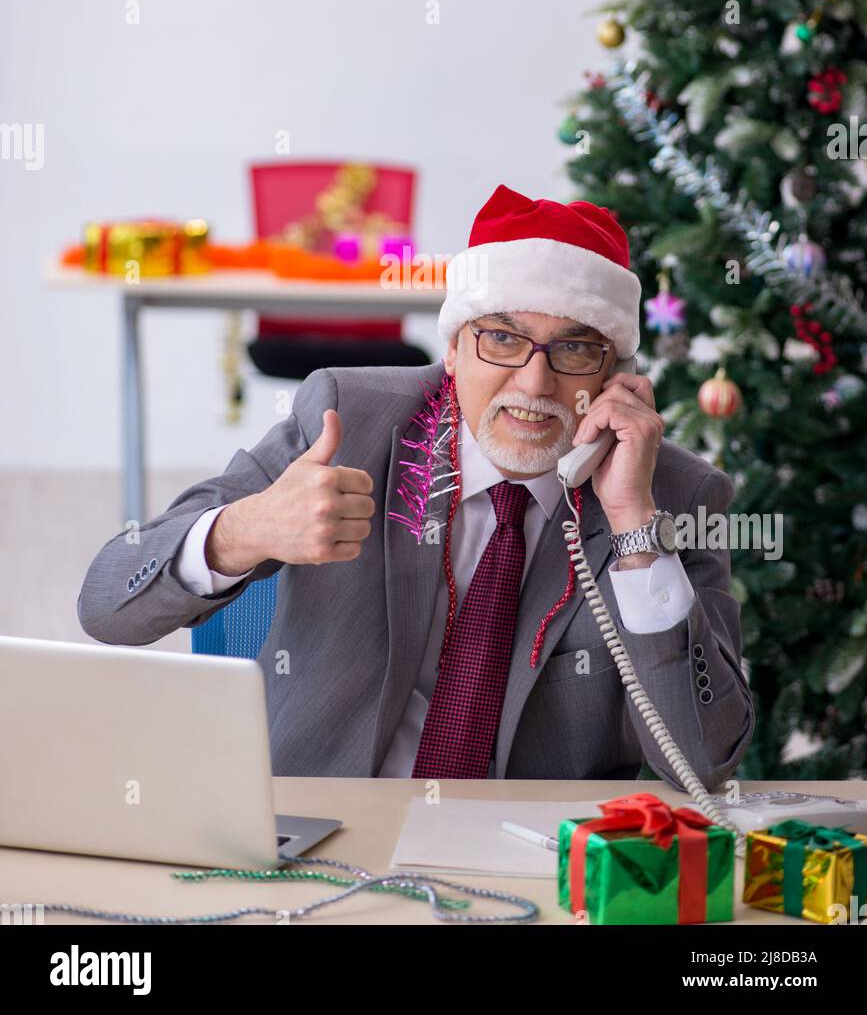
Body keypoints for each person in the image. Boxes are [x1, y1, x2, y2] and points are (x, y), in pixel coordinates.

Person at [78, 183, 754, 783]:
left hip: (531, 871)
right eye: (501, 339)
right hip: (319, 835)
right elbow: (108, 603)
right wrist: (243, 530)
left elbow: (706, 761)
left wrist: (635, 527)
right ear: (453, 351)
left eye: (574, 350)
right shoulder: (344, 416)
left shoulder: (673, 492)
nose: (533, 382)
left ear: (615, 378)